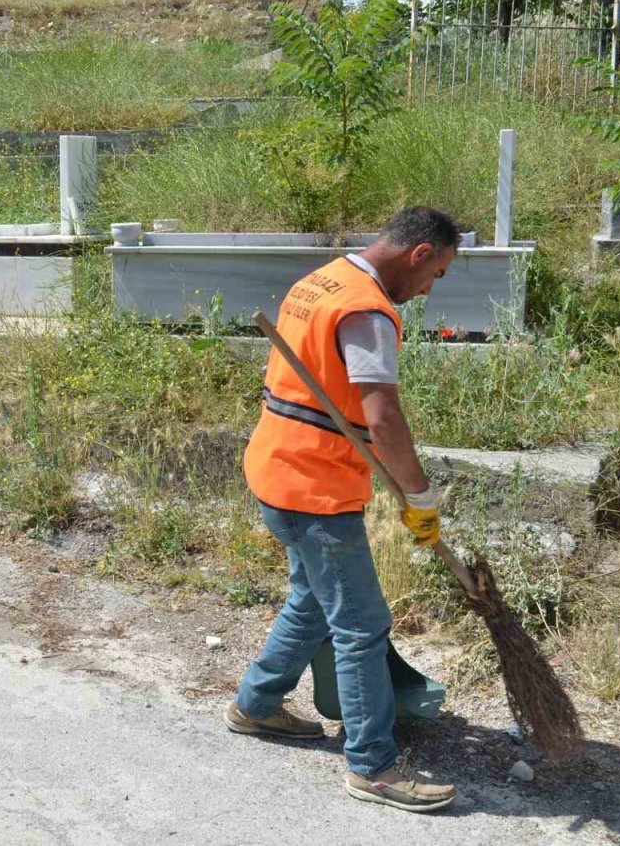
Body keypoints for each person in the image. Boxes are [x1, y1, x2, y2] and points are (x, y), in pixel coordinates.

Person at [225, 207, 459, 813]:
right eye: (437, 272)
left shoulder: (323, 281)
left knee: (312, 599)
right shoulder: (368, 310)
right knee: (360, 625)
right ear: (418, 254)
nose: (432, 287)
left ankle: (255, 705)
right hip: (314, 488)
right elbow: (380, 415)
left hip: (275, 466)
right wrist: (419, 496)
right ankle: (373, 768)